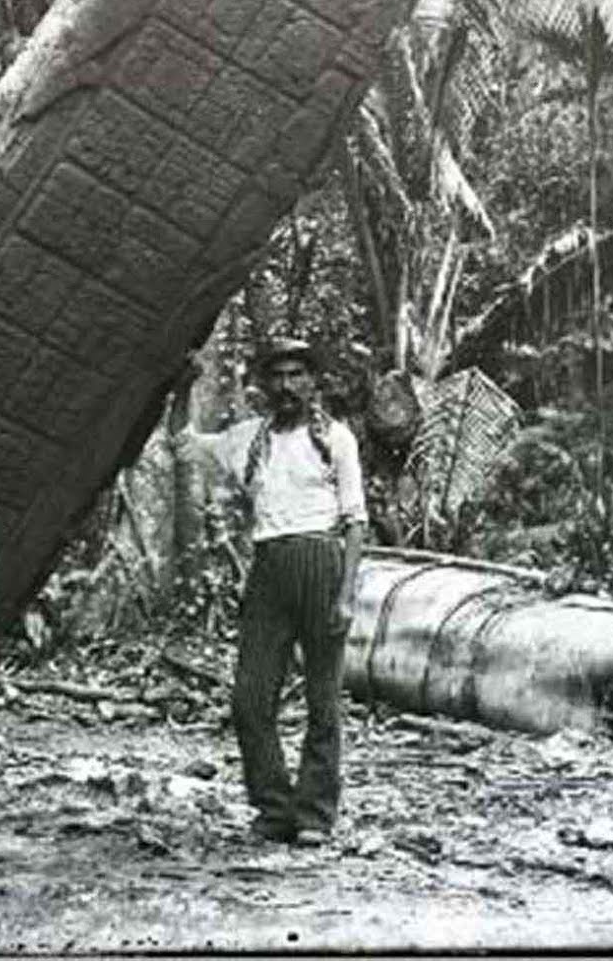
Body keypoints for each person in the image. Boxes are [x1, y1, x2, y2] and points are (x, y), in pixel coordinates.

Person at [177, 336, 369, 845]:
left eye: (296, 375)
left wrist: (346, 594)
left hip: (320, 560)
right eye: (277, 376)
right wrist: (182, 387)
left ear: (313, 382)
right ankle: (274, 806)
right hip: (268, 567)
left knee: (322, 699)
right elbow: (187, 444)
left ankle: (314, 814)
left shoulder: (336, 439)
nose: (287, 386)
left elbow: (355, 522)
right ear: (263, 384)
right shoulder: (248, 439)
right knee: (249, 698)